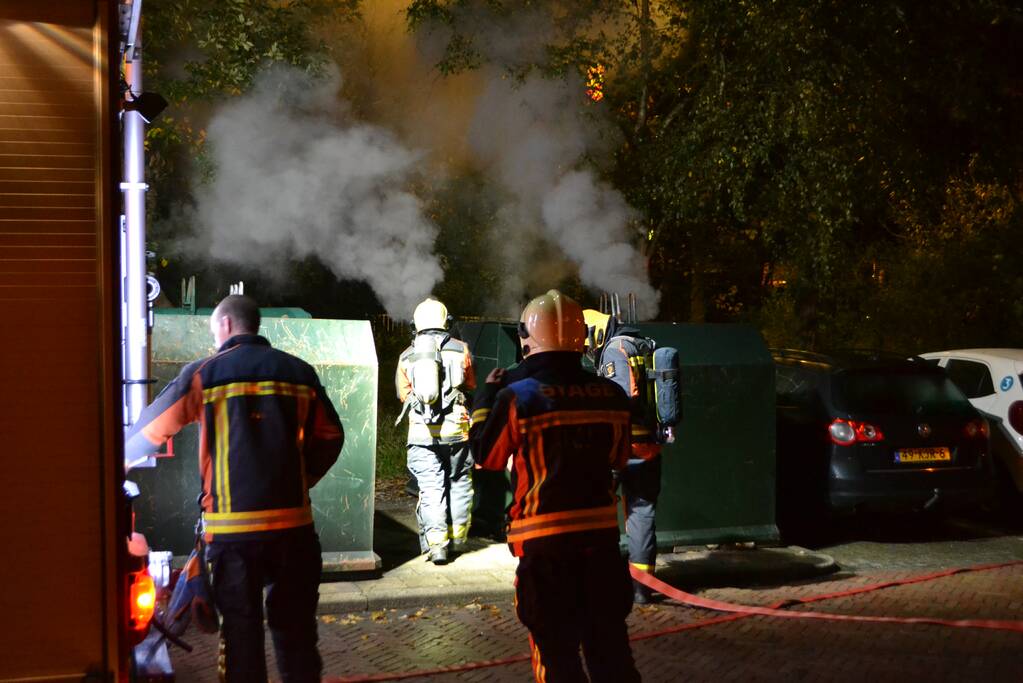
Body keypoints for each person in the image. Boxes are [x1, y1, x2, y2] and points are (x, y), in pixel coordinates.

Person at [125, 294, 344, 683]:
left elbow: (147, 433)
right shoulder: (300, 373)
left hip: (232, 536)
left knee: (242, 639)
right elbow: (331, 436)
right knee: (297, 638)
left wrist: (111, 465)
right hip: (293, 531)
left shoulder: (204, 375)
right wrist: (300, 479)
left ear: (225, 325)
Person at [471, 290, 641, 682]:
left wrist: (485, 397)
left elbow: (487, 457)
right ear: (581, 341)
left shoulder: (518, 397)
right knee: (612, 658)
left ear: (527, 342)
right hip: (600, 548)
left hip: (545, 554)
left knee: (558, 662)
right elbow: (620, 458)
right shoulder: (610, 395)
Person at [584, 308, 664, 605]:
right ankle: (642, 587)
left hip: (623, 446)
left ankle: (598, 581)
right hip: (649, 446)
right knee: (642, 513)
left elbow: (620, 398)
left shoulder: (615, 351)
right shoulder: (643, 344)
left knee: (598, 510)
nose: (587, 347)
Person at [396, 297, 476, 564]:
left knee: (430, 488)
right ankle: (459, 540)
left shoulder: (406, 356)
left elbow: (402, 394)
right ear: (447, 322)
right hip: (456, 431)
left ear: (415, 324)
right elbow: (471, 385)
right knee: (459, 481)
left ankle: (437, 546)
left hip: (422, 434)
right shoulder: (461, 349)